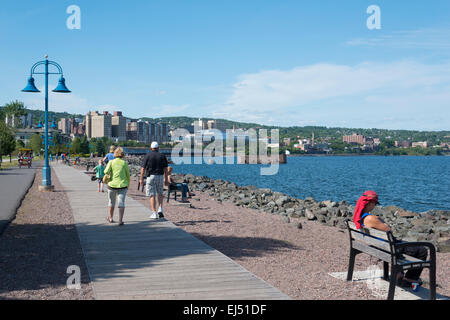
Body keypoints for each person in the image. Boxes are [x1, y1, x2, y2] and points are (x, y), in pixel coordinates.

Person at [353, 190, 428, 287]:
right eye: (375, 203)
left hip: (379, 247)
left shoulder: (360, 217)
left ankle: (399, 273)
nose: (375, 206)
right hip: (388, 249)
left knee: (407, 245)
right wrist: (381, 221)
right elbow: (389, 230)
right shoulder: (371, 218)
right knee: (422, 250)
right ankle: (409, 279)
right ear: (370, 203)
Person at [140, 142, 169, 219]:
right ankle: (160, 208)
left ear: (151, 148)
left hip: (150, 176)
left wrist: (141, 179)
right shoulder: (162, 156)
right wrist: (166, 179)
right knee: (160, 193)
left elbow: (143, 168)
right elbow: (166, 169)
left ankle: (154, 212)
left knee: (152, 195)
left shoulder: (147, 156)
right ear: (158, 148)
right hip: (160, 176)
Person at [104, 147, 130, 226]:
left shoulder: (111, 162)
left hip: (112, 185)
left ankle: (111, 218)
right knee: (121, 203)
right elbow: (128, 175)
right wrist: (127, 184)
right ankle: (120, 220)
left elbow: (105, 171)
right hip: (122, 185)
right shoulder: (124, 163)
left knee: (111, 202)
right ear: (122, 154)